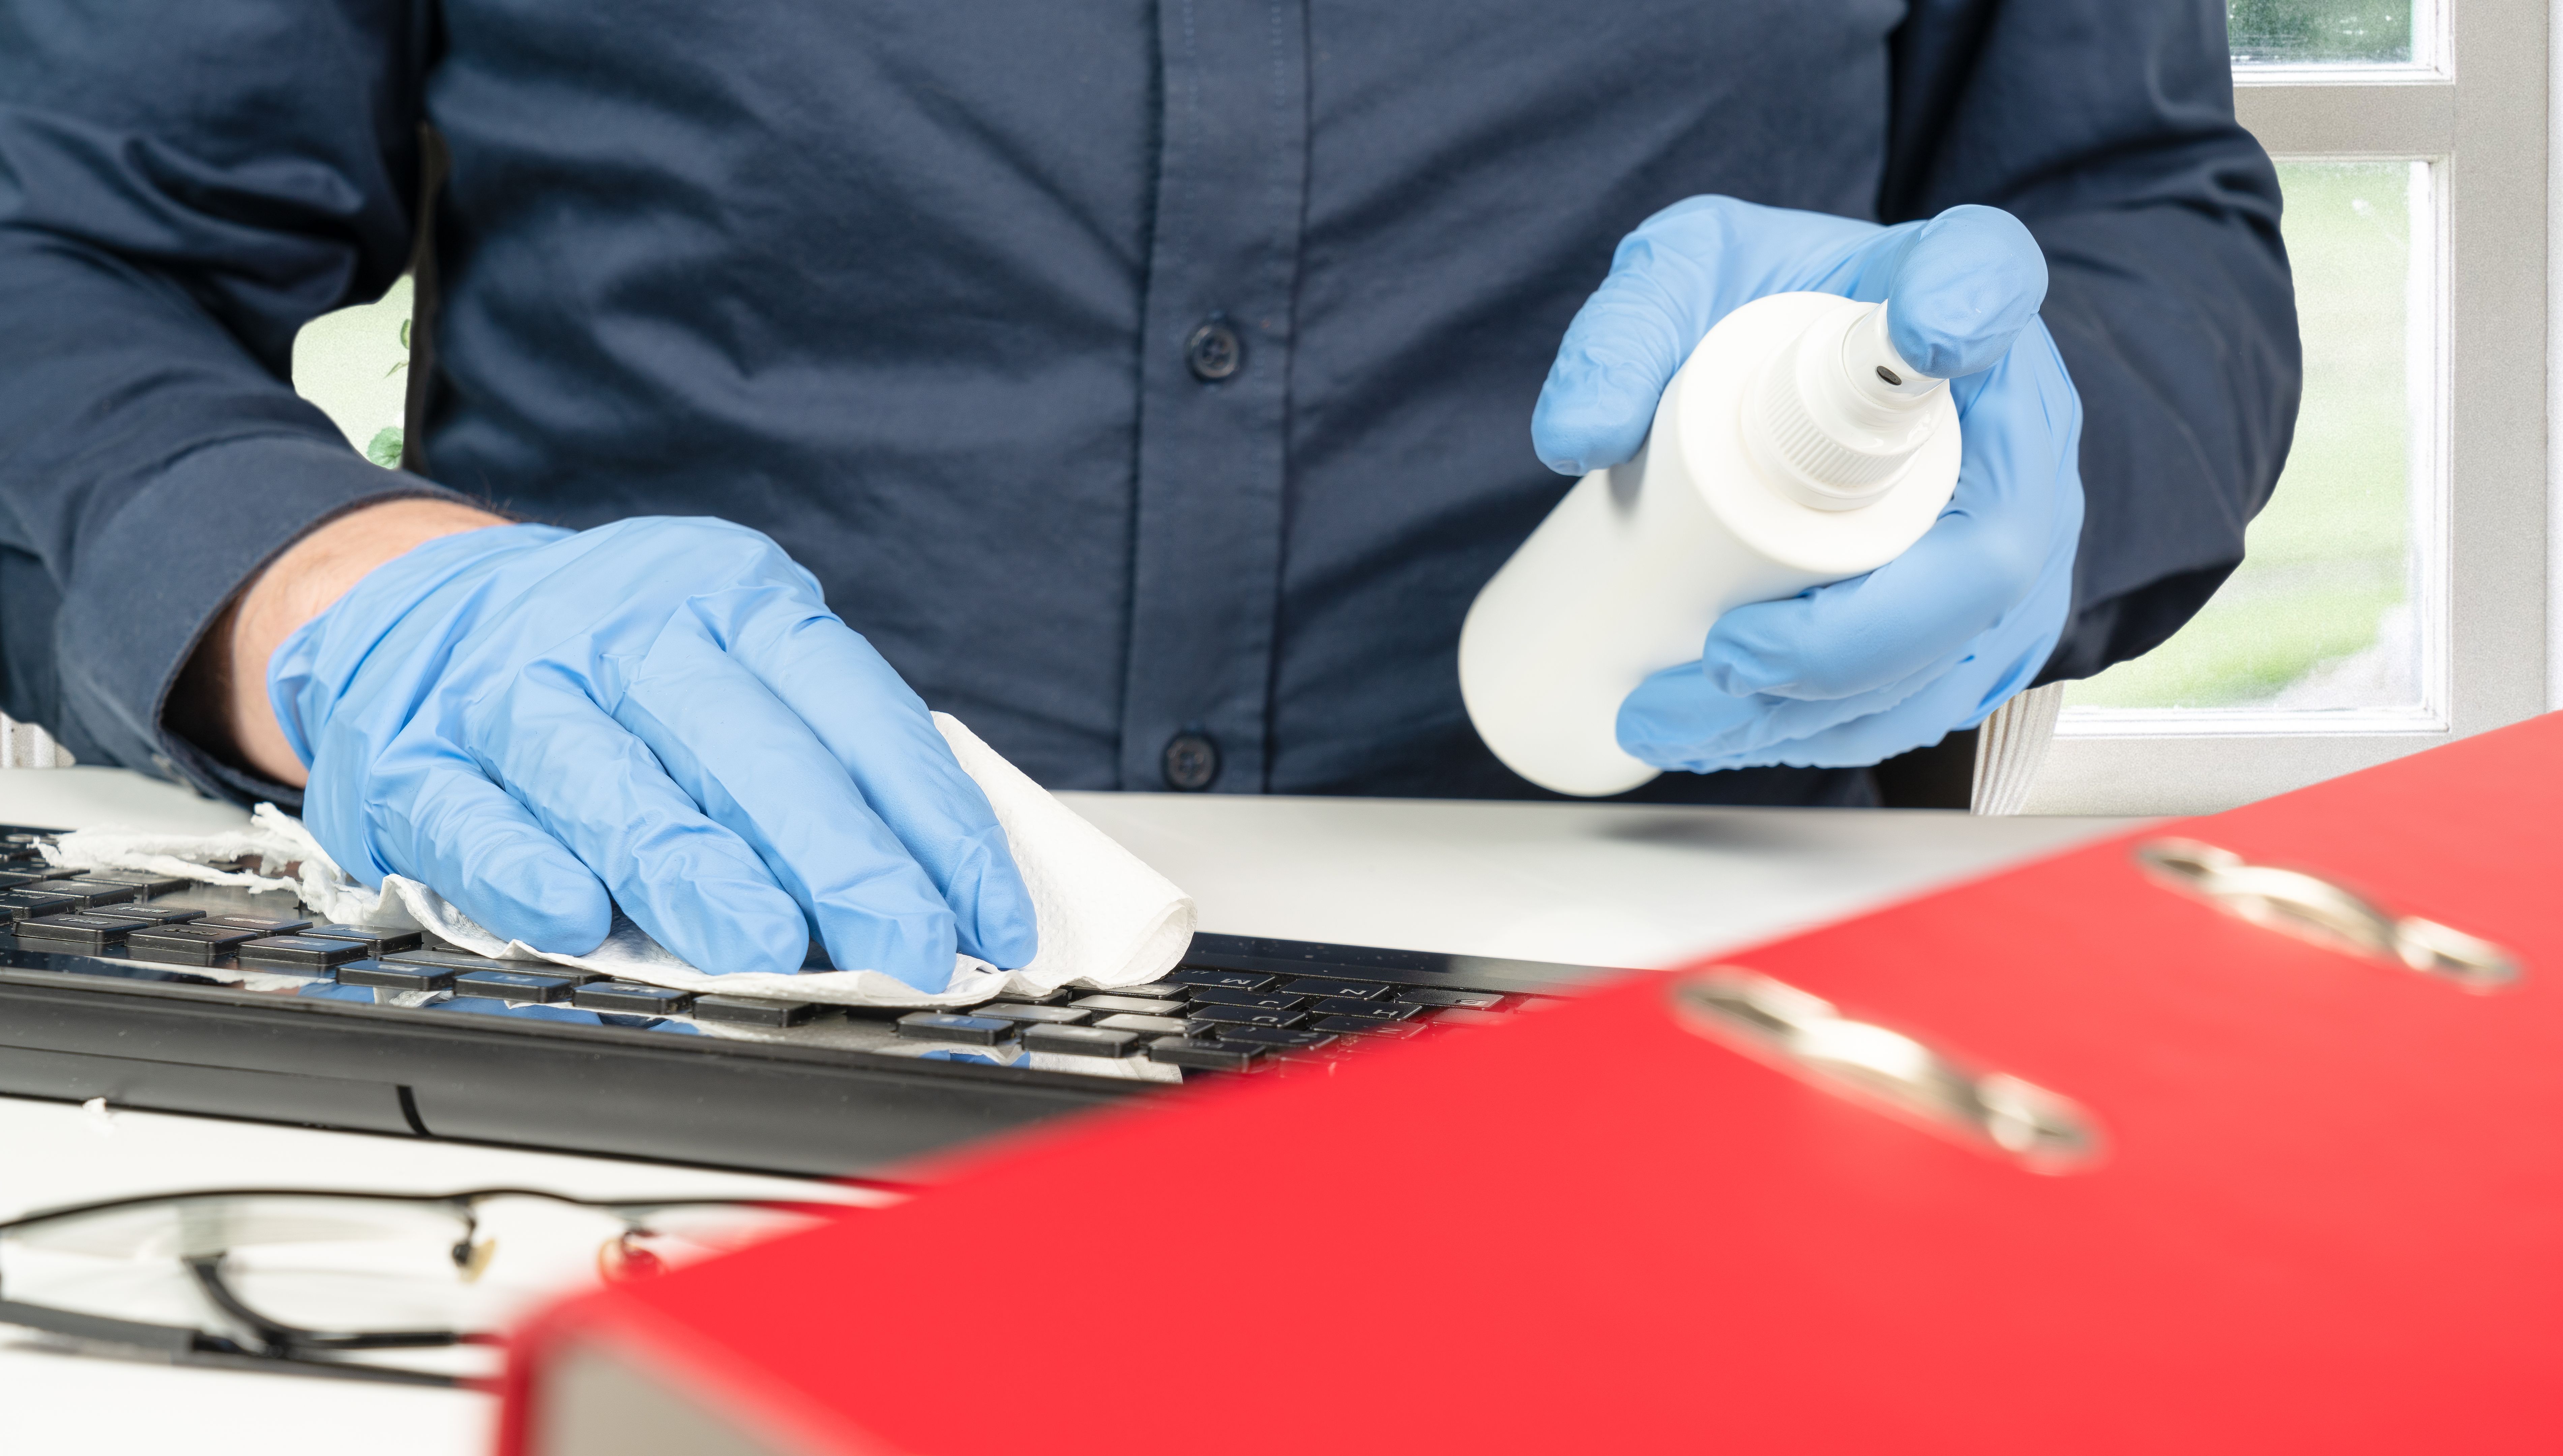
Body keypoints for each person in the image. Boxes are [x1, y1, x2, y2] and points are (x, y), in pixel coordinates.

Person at [0, 2, 2297, 990]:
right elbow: (56, 246)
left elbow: (2138, 215)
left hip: (1671, 1051)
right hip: (656, 1011)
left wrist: (2033, 446)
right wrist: (337, 602)